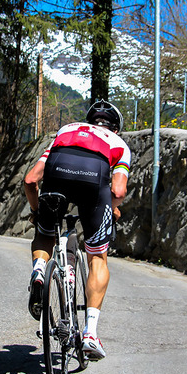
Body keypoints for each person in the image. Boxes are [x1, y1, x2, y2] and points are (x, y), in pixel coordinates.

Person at [24, 99, 131, 360]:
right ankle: (90, 334)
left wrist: (37, 213)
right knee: (97, 257)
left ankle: (39, 271)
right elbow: (117, 190)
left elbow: (30, 179)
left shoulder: (67, 131)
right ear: (115, 127)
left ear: (88, 120)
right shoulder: (118, 143)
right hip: (94, 183)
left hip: (57, 173)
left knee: (45, 233)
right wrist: (113, 208)